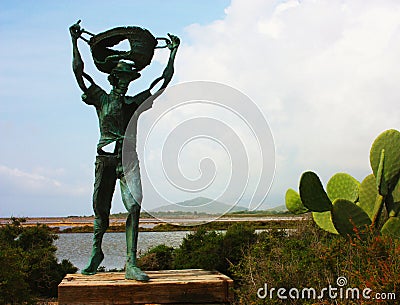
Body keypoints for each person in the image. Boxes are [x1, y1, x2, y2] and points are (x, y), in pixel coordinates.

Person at [69, 21, 179, 281]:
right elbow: (79, 73)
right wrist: (74, 42)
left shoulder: (133, 103)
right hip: (105, 160)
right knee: (101, 211)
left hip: (128, 161)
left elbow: (161, 84)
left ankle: (131, 262)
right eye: (122, 78)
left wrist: (173, 53)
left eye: (129, 79)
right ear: (114, 78)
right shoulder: (100, 98)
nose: (125, 83)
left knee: (133, 206)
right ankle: (97, 253)